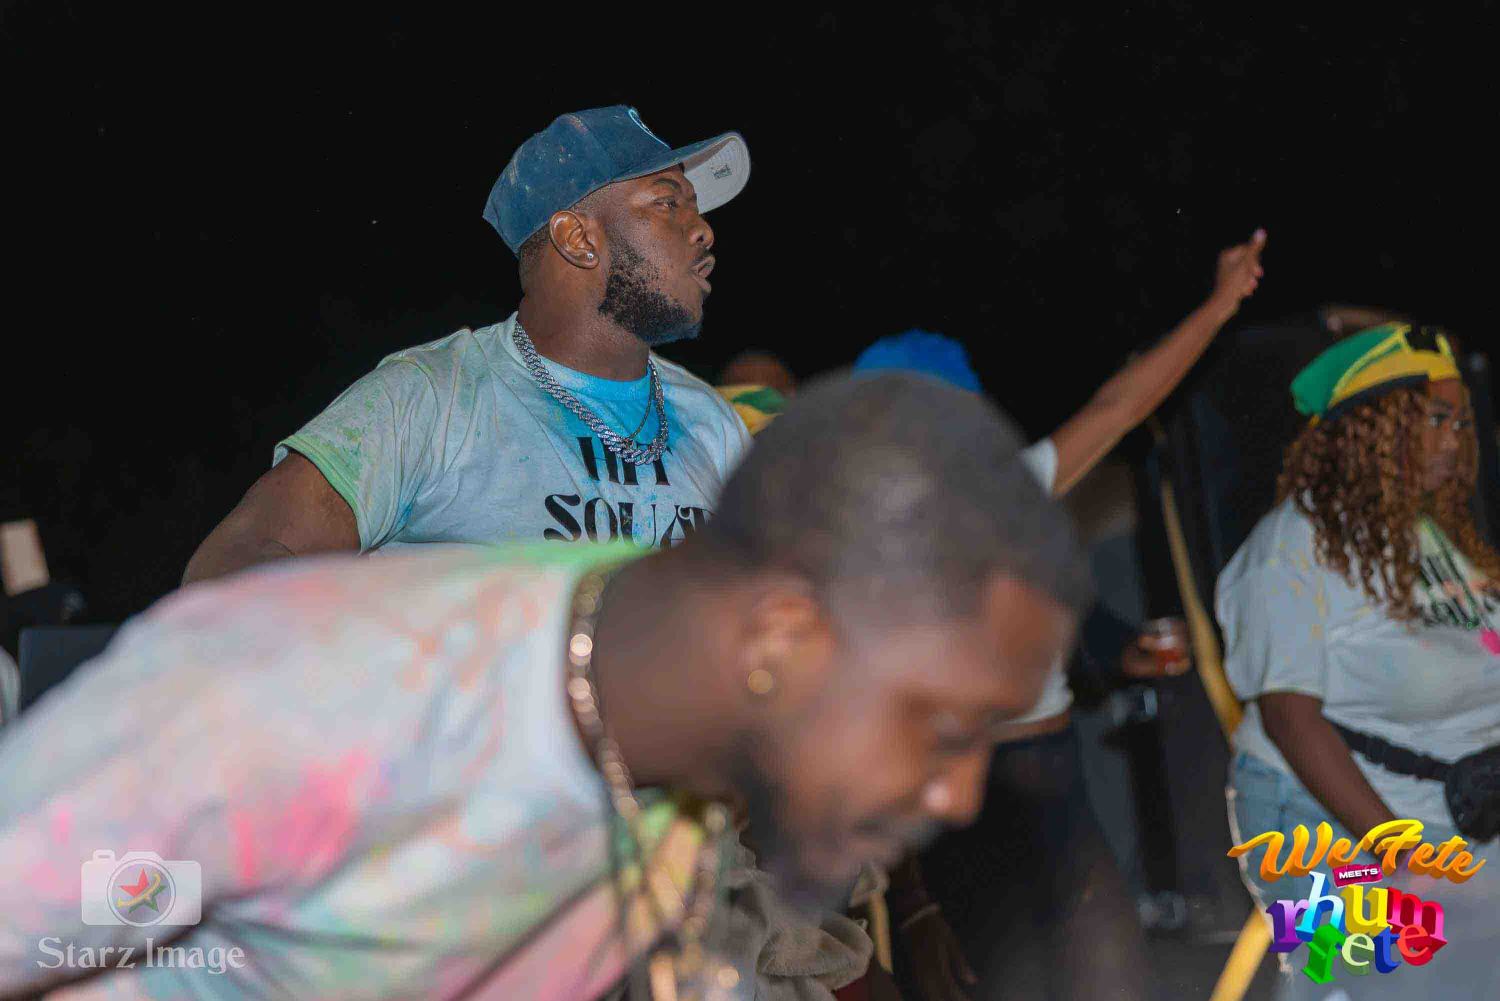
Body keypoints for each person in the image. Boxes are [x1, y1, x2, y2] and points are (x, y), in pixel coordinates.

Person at [0, 373, 1090, 1001]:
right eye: (942, 724)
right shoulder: (328, 709)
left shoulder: (663, 794)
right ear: (783, 637)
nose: (957, 794)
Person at [857, 230, 1265, 1001]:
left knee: (1115, 979)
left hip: (1058, 791)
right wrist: (913, 904)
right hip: (956, 814)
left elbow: (1122, 404)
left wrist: (1219, 305)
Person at [183, 104, 752, 583]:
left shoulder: (712, 423)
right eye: (667, 202)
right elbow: (231, 566)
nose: (703, 229)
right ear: (577, 238)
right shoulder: (432, 399)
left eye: (696, 206)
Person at [1220, 323, 1500, 998]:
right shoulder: (1291, 547)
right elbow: (1289, 718)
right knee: (1361, 980)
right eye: (1434, 420)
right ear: (1373, 428)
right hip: (1321, 824)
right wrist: (1403, 856)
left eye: (1461, 423)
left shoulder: (1429, 533)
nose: (1453, 440)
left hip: (1449, 809)